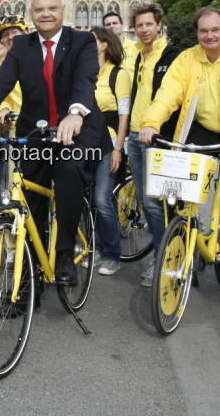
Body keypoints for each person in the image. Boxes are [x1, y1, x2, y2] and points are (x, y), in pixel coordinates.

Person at [0, 0, 107, 285]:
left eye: (52, 8)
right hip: (36, 131)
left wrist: (75, 113)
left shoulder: (82, 41)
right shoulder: (22, 46)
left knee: (68, 170)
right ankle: (28, 276)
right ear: (31, 14)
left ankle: (64, 251)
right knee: (29, 200)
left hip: (76, 128)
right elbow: (1, 82)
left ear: (63, 10)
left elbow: (85, 78)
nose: (46, 14)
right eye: (39, 10)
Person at [138, 8, 220, 309]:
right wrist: (151, 123)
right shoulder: (188, 58)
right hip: (203, 129)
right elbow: (168, 94)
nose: (209, 36)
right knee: (174, 195)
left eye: (215, 30)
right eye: (203, 31)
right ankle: (185, 252)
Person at [125, 1, 182, 287]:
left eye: (149, 24)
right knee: (148, 203)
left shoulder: (173, 56)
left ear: (159, 25)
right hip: (136, 137)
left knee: (157, 203)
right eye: (139, 25)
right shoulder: (138, 56)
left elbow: (173, 96)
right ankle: (171, 254)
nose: (144, 29)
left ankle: (165, 260)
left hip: (158, 137)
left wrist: (156, 126)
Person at [88, 26, 132, 276]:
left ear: (105, 44)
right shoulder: (87, 73)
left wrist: (118, 148)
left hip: (109, 143)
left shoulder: (119, 75)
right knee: (91, 200)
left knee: (102, 199)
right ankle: (97, 248)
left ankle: (111, 254)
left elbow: (124, 114)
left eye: (92, 40)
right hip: (86, 144)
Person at [103, 10, 139, 78]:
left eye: (115, 23)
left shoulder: (135, 47)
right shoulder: (101, 50)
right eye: (108, 24)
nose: (111, 26)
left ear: (122, 25)